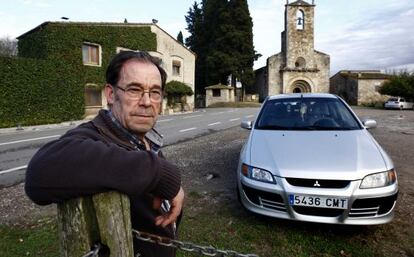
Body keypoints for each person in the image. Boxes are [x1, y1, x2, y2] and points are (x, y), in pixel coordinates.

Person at [25, 51, 184, 257]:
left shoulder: (148, 138)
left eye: (155, 92)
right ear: (111, 94)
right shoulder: (95, 135)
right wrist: (160, 173)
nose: (147, 102)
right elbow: (40, 172)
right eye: (134, 90)